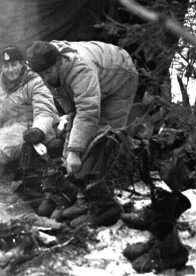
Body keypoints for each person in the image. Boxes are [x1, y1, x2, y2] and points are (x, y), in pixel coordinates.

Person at [26, 40, 138, 226]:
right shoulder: (49, 69)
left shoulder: (80, 70)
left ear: (59, 63)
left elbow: (88, 113)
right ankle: (72, 193)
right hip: (97, 76)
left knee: (104, 139)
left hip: (120, 76)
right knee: (76, 143)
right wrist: (69, 152)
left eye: (47, 73)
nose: (44, 79)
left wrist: (75, 151)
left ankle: (100, 205)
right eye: (41, 75)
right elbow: (74, 113)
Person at [0, 45, 60, 182]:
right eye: (6, 66)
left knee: (10, 138)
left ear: (22, 64)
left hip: (35, 127)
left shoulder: (35, 81)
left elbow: (45, 111)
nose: (10, 70)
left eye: (14, 65)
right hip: (8, 126)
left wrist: (38, 130)